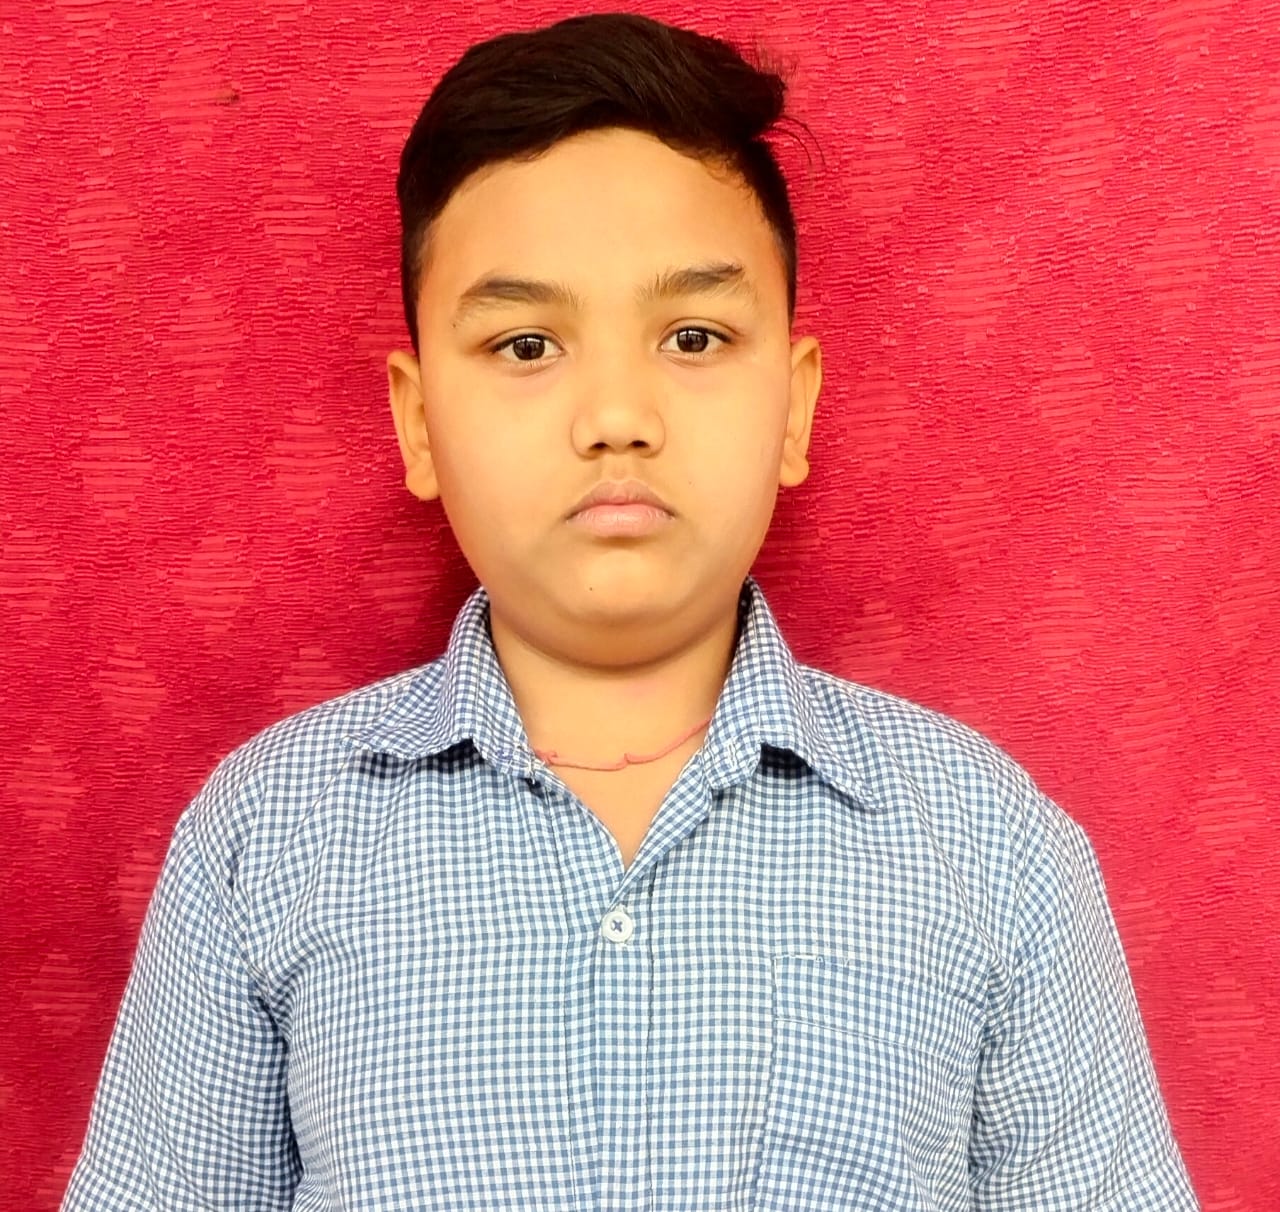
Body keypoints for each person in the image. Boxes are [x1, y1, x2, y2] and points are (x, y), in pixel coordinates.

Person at [62, 12, 1199, 1210]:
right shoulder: (265, 840)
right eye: (524, 345)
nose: (615, 416)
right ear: (416, 420)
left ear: (794, 407)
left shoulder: (988, 848)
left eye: (693, 336)